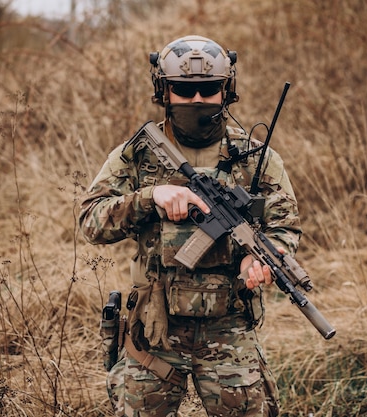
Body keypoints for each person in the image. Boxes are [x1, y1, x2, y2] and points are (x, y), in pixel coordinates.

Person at [79, 35, 301, 417]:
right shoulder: (137, 155)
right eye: (184, 90)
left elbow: (284, 226)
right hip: (154, 328)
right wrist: (150, 198)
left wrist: (261, 260)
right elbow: (90, 220)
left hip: (229, 326)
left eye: (208, 89)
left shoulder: (255, 158)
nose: (197, 100)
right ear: (163, 90)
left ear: (226, 90)